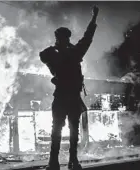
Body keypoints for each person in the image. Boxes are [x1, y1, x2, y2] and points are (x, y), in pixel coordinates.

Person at [39, 5, 99, 170]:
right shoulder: (70, 52)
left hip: (66, 96)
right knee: (67, 130)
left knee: (62, 130)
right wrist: (93, 19)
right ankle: (64, 161)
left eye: (60, 39)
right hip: (67, 96)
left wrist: (94, 19)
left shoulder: (66, 52)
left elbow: (87, 38)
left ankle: (58, 162)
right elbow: (43, 56)